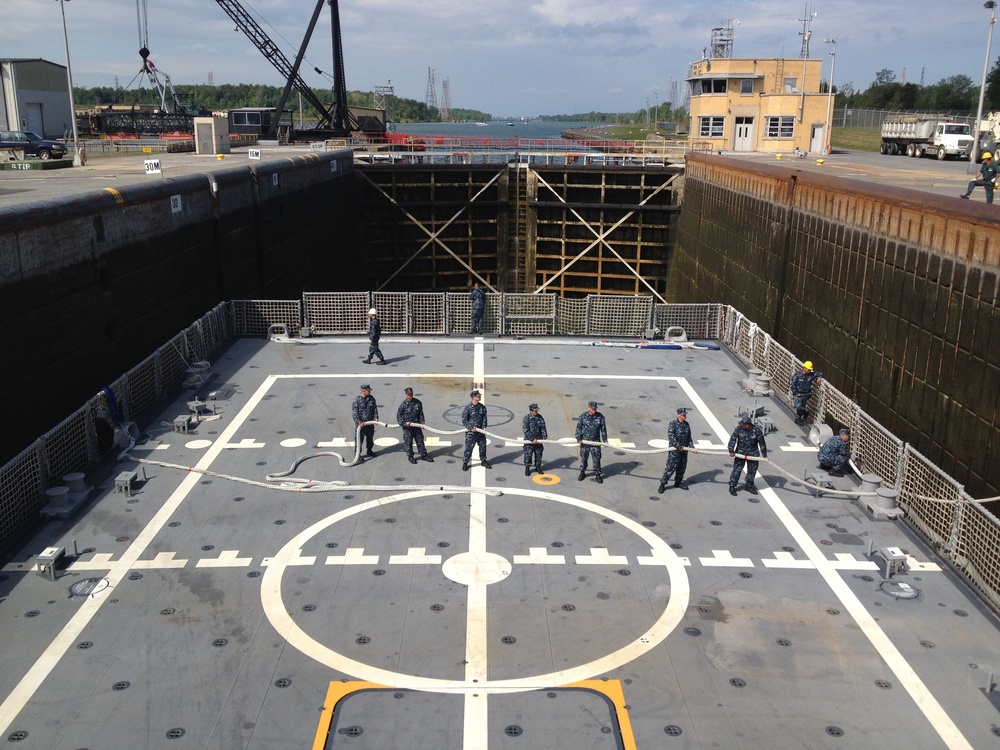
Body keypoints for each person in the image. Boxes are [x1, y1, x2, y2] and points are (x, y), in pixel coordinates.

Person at [727, 413, 768, 495]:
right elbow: (733, 439)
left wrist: (765, 455)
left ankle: (749, 486)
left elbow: (762, 443)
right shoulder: (738, 429)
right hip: (740, 453)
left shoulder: (757, 431)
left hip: (753, 454)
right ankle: (732, 485)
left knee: (752, 471)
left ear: (748, 425)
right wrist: (731, 450)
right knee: (737, 470)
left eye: (743, 424)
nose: (741, 425)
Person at [658, 407, 694, 493]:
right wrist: (678, 447)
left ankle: (678, 482)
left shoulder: (686, 425)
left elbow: (689, 437)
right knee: (670, 468)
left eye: (685, 414)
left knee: (681, 468)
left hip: (684, 451)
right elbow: (671, 437)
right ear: (678, 415)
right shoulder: (673, 424)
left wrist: (692, 447)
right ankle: (663, 484)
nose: (684, 416)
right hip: (675, 451)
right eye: (682, 414)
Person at [397, 387, 433, 464]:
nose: (410, 395)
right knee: (408, 442)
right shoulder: (403, 405)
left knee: (420, 440)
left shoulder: (418, 403)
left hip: (417, 426)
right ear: (406, 395)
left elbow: (421, 414)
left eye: (411, 393)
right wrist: (404, 423)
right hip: (408, 428)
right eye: (409, 394)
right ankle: (410, 456)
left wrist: (422, 423)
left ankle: (423, 455)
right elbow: (398, 417)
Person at [576, 400, 608, 484]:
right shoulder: (583, 416)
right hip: (585, 441)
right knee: (584, 458)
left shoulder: (600, 417)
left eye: (595, 409)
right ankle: (582, 472)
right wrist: (578, 439)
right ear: (589, 408)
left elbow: (603, 430)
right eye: (593, 409)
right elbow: (578, 428)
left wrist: (605, 440)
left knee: (596, 458)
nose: (594, 410)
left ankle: (598, 474)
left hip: (595, 442)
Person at [461, 390, 491, 470]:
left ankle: (483, 460)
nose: (479, 397)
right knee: (469, 448)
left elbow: (484, 417)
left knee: (483, 447)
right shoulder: (468, 408)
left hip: (480, 432)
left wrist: (484, 427)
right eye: (478, 396)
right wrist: (471, 427)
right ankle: (465, 462)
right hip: (471, 433)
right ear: (473, 397)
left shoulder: (482, 407)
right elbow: (464, 420)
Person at [790, 360, 823, 425]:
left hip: (806, 394)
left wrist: (819, 377)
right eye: (808, 369)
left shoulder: (811, 374)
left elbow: (820, 373)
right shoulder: (797, 375)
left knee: (802, 406)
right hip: (798, 393)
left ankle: (798, 419)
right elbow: (793, 385)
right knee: (798, 406)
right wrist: (796, 392)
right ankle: (805, 413)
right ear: (804, 368)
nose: (809, 371)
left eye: (810, 369)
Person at [352, 384, 379, 460]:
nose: (370, 391)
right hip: (361, 426)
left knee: (370, 439)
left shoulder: (371, 399)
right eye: (368, 390)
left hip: (370, 424)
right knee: (359, 440)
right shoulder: (357, 400)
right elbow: (355, 414)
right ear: (363, 391)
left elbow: (374, 408)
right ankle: (357, 454)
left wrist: (376, 417)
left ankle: (369, 450)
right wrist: (359, 422)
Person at [522, 403, 547, 476]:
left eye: (537, 411)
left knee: (538, 454)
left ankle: (537, 467)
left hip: (539, 441)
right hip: (529, 441)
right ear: (531, 411)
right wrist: (532, 439)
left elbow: (543, 428)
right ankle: (527, 468)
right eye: (535, 411)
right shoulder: (526, 419)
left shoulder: (540, 418)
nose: (536, 412)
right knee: (528, 455)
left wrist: (545, 437)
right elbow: (526, 431)